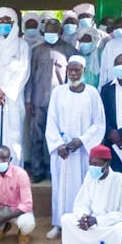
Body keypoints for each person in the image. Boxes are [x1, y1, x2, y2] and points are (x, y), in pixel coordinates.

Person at [45, 55, 105, 239]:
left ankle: (80, 223)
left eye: (76, 69)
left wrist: (81, 141)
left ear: (83, 71)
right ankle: (59, 224)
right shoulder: (58, 92)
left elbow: (99, 123)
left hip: (83, 152)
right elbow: (51, 122)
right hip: (62, 152)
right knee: (60, 188)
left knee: (82, 188)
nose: (72, 72)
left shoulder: (92, 93)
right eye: (70, 69)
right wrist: (58, 145)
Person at [25, 17, 76, 183]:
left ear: (60, 33)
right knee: (37, 138)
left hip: (61, 102)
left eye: (54, 31)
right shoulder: (36, 50)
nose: (51, 34)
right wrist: (28, 101)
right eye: (48, 31)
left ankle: (55, 170)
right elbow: (30, 77)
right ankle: (37, 170)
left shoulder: (69, 50)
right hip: (38, 100)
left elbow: (74, 77)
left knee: (58, 138)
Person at [0, 7, 30, 170]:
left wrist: (5, 90)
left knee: (13, 134)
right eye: (0, 21)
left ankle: (14, 169)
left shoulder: (22, 45)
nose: (3, 24)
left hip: (13, 97)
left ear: (13, 23)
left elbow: (23, 70)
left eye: (7, 21)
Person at [60, 145, 122, 244]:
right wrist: (84, 217)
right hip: (91, 223)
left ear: (107, 164)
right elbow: (81, 203)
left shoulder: (121, 180)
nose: (92, 167)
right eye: (90, 164)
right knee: (66, 219)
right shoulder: (89, 177)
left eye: (96, 164)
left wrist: (98, 220)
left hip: (109, 225)